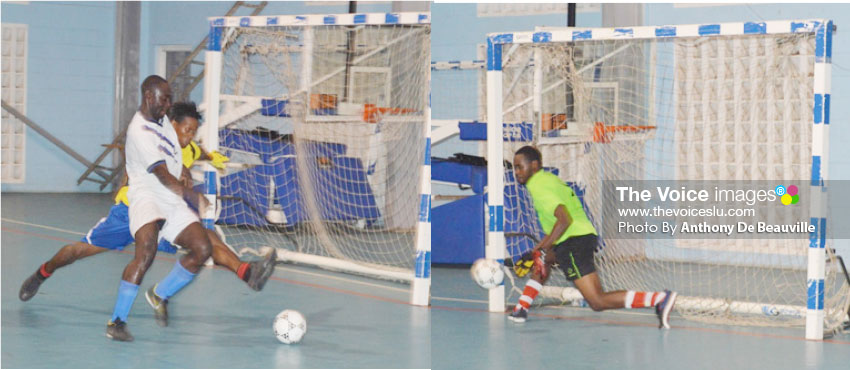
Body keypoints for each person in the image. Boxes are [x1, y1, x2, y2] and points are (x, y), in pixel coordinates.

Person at [18, 102, 276, 307]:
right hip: (130, 213)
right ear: (171, 125)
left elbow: (196, 151)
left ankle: (245, 272)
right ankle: (43, 272)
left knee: (206, 239)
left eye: (193, 132)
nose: (189, 137)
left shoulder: (186, 144)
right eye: (186, 130)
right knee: (76, 252)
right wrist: (182, 173)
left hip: (163, 215)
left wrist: (211, 156)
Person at [508, 145, 677, 329]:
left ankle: (659, 299)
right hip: (580, 236)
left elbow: (564, 220)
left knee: (597, 301)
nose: (516, 172)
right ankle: (521, 308)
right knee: (544, 261)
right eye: (514, 168)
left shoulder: (538, 187)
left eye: (519, 167)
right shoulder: (548, 179)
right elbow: (560, 225)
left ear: (534, 165)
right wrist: (537, 252)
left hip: (572, 242)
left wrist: (538, 250)